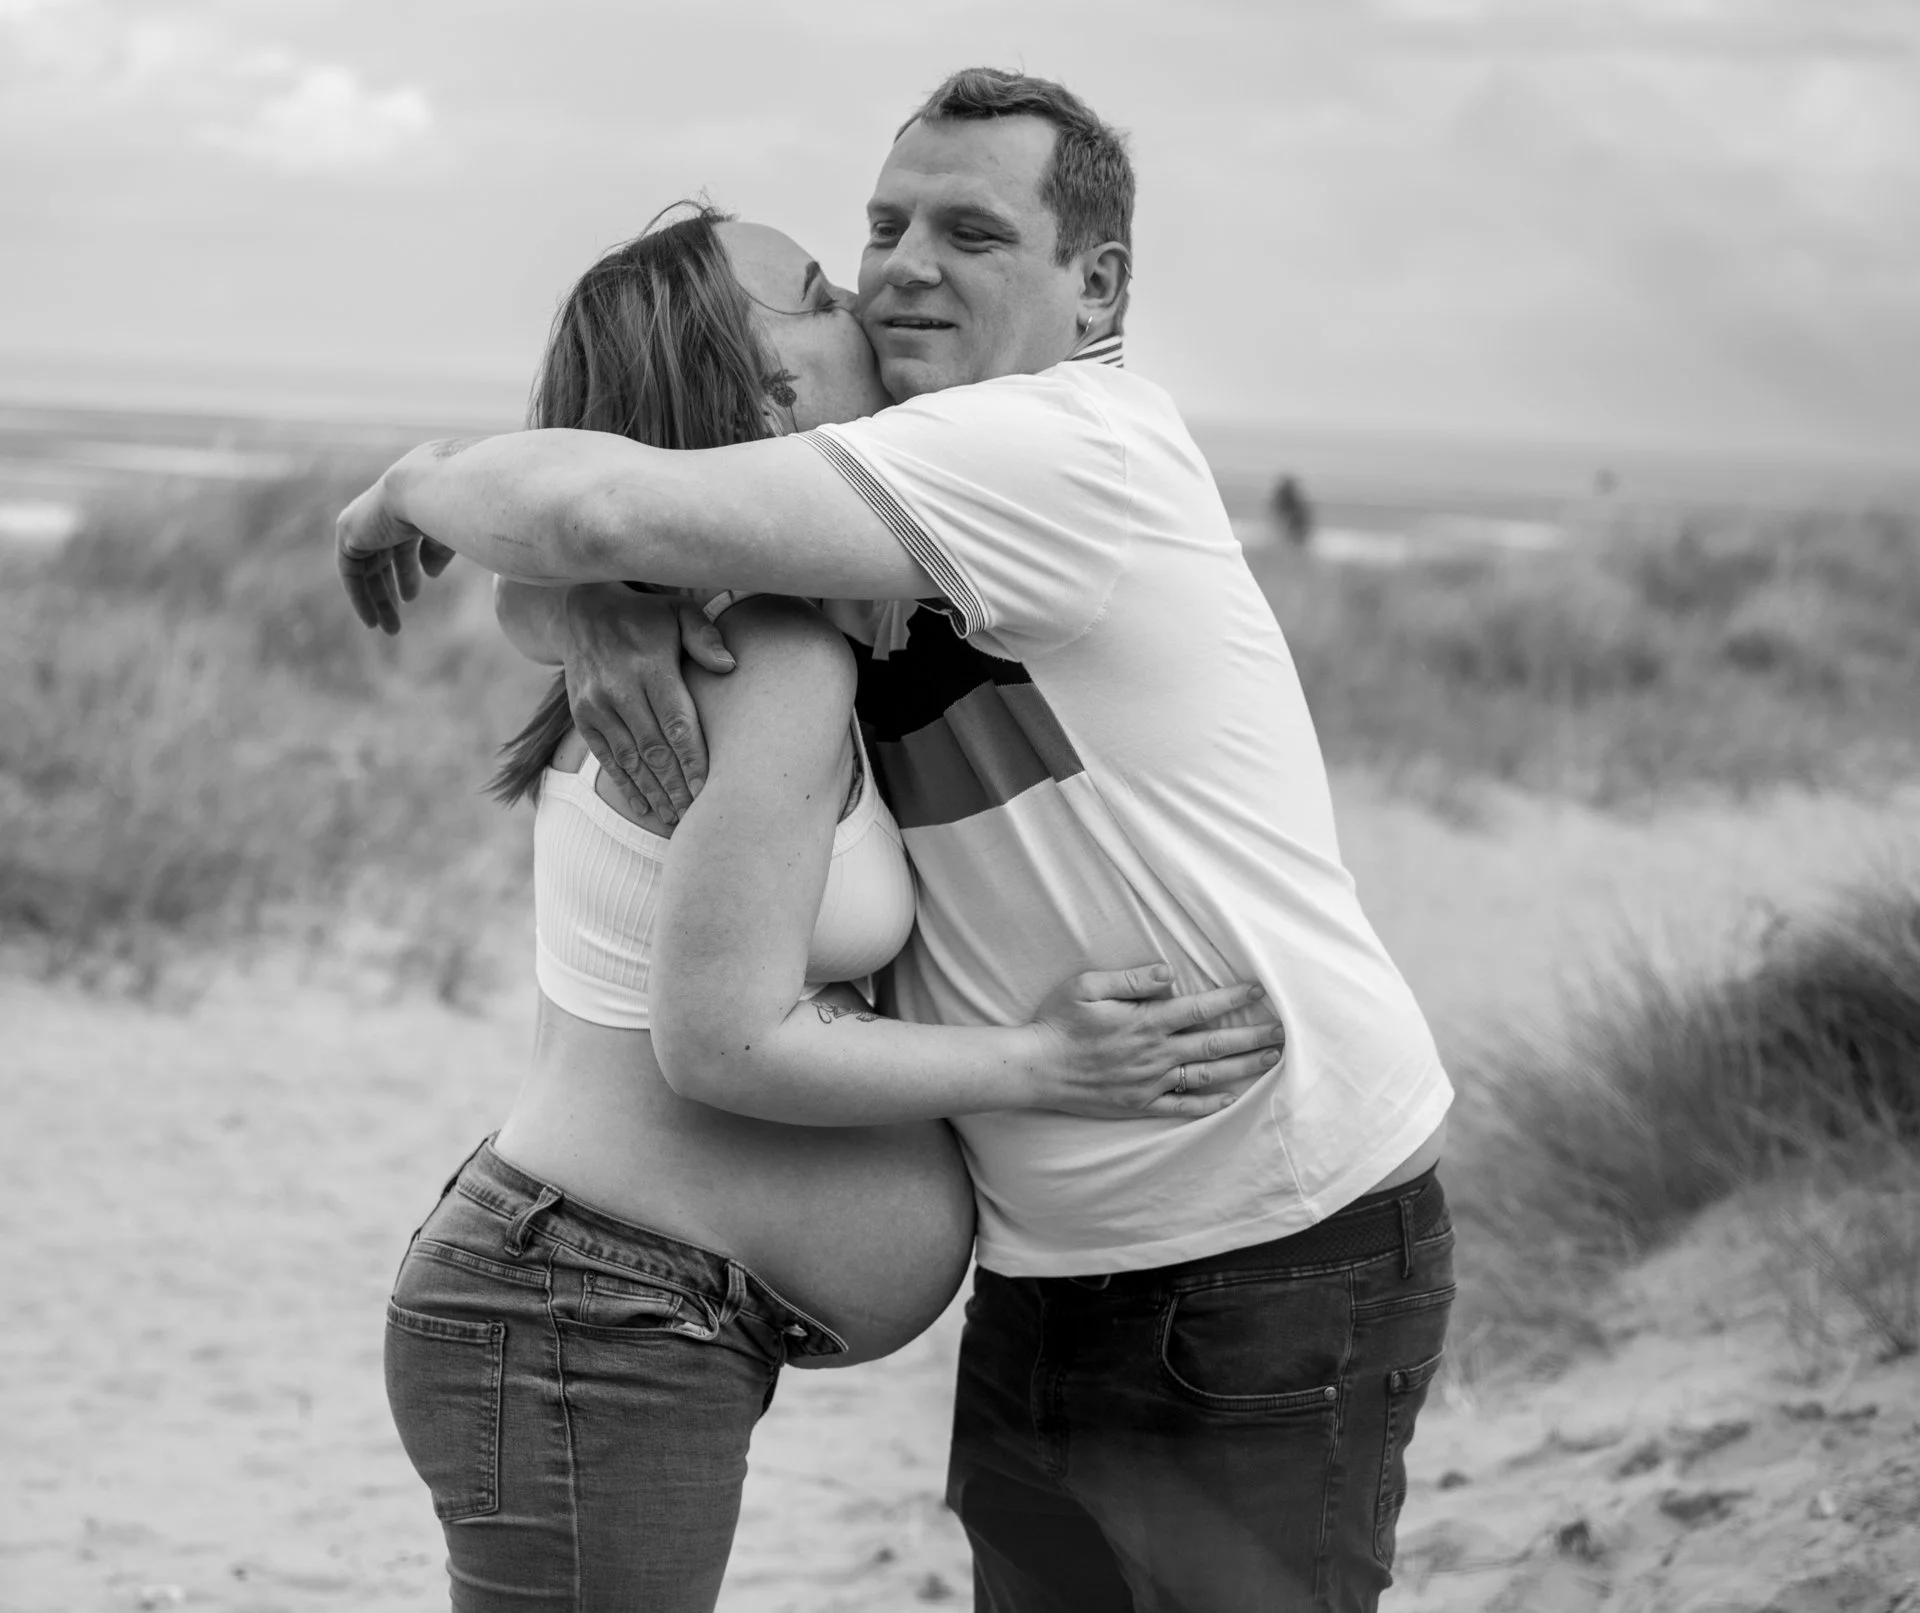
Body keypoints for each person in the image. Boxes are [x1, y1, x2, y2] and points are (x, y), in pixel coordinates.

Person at [341, 68, 1455, 1613]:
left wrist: (437, 494)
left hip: (1253, 1219)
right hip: (1038, 1250)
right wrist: (582, 588)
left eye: (973, 231)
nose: (902, 268)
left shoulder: (1055, 452)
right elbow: (609, 523)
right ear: (764, 396)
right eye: (876, 232)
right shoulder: (807, 580)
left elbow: (599, 511)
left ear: (1097, 285)